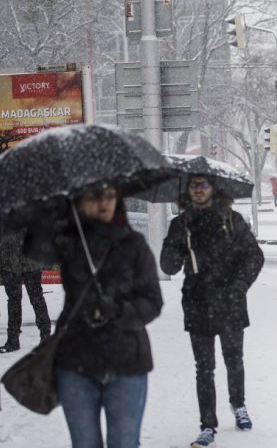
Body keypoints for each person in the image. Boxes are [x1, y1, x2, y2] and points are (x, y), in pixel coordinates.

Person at [24, 185, 163, 448]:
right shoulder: (68, 241)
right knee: (84, 444)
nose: (104, 203)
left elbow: (153, 302)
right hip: (76, 362)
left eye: (110, 195)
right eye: (94, 196)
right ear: (80, 201)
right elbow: (34, 251)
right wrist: (50, 211)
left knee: (124, 443)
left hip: (127, 362)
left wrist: (118, 310)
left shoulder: (133, 244)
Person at [160, 175, 265, 448]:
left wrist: (240, 285)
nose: (198, 189)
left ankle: (238, 404)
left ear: (213, 189)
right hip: (198, 304)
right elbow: (169, 267)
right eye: (193, 185)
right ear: (187, 191)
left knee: (234, 359)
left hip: (230, 303)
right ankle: (207, 426)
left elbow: (255, 256)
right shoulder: (181, 224)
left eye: (203, 184)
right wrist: (172, 243)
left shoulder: (232, 220)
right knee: (204, 368)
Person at [0, 229, 51, 353]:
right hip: (9, 261)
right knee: (14, 300)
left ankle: (45, 338)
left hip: (29, 261)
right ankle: (13, 340)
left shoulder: (30, 210)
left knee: (36, 298)